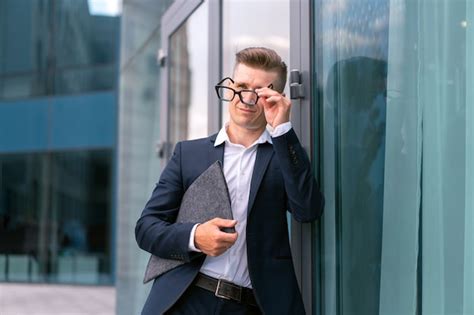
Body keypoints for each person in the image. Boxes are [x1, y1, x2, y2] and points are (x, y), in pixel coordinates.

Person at [135, 47, 324, 315]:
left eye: (258, 92)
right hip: (186, 300)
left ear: (275, 97)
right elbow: (146, 228)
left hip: (251, 307)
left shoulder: (286, 156)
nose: (246, 98)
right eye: (241, 86)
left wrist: (282, 129)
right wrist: (195, 237)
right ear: (231, 86)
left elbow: (307, 210)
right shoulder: (188, 154)